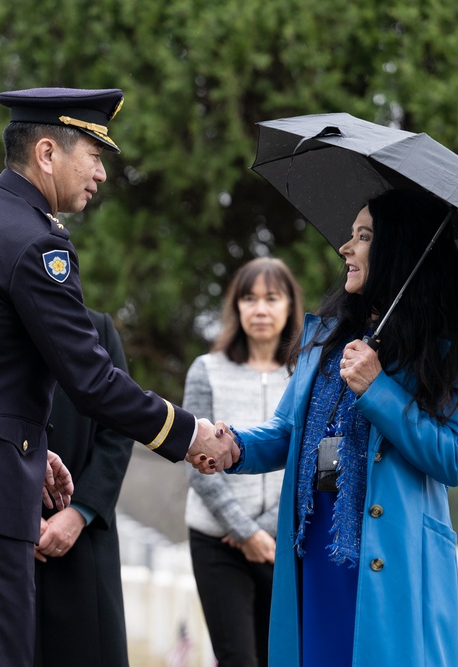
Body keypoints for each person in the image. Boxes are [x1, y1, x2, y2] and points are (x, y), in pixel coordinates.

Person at [0, 86, 229, 666]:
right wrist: (188, 434)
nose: (102, 174)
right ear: (47, 152)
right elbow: (91, 380)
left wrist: (32, 448)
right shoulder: (36, 243)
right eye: (93, 155)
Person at [207, 190, 458, 666]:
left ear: (398, 250)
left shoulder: (454, 352)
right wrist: (235, 447)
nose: (346, 247)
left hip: (390, 556)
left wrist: (379, 388)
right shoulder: (328, 335)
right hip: (317, 543)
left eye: (363, 237)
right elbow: (287, 431)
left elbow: (455, 458)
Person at [183, 257, 303, 667]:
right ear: (236, 307)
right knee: (237, 658)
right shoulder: (207, 370)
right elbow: (195, 459)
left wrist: (263, 531)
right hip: (216, 539)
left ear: (290, 307)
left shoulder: (304, 377)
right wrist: (242, 529)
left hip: (279, 541)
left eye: (272, 298)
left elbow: (305, 460)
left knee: (279, 657)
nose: (260, 309)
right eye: (249, 298)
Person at [33, 307, 133, 667]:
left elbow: (120, 429)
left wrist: (79, 512)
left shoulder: (98, 328)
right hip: (5, 538)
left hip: (85, 539)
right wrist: (17, 516)